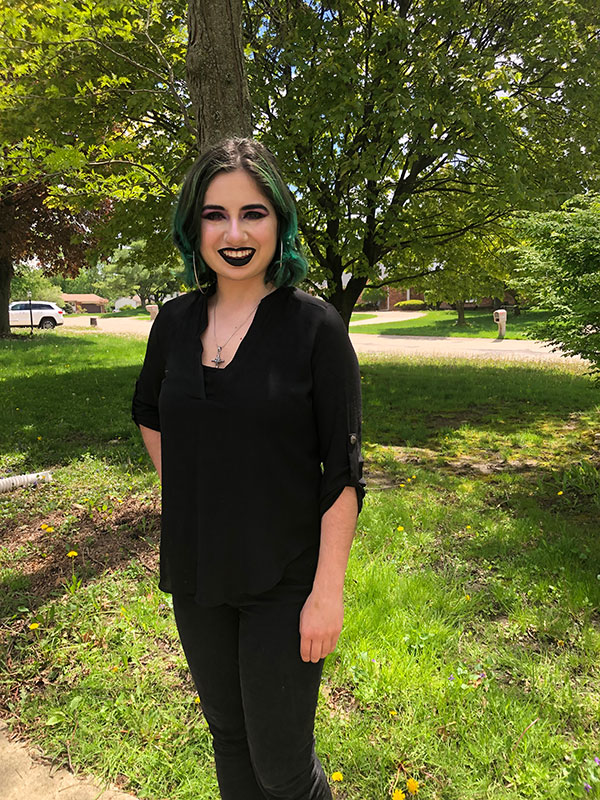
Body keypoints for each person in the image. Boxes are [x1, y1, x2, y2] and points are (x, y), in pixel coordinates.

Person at [131, 137, 365, 800]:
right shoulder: (174, 322)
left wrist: (328, 592)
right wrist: (185, 488)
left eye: (253, 213)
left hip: (284, 576)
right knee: (229, 739)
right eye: (215, 214)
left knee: (282, 767)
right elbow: (149, 409)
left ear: (279, 222)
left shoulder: (315, 329)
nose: (234, 233)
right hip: (198, 568)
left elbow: (343, 470)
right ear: (193, 226)